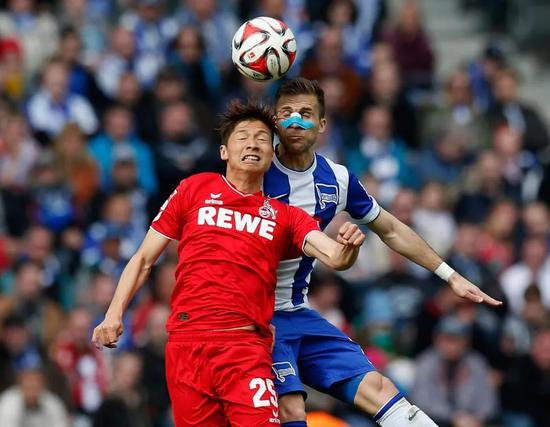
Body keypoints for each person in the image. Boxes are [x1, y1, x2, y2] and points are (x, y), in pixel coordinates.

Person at [92, 100, 367, 426]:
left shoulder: (286, 216)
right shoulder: (193, 189)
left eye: (262, 138)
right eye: (243, 137)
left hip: (245, 350)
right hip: (187, 346)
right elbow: (143, 258)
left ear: (271, 155)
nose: (253, 144)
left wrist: (348, 247)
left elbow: (334, 256)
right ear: (224, 151)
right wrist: (114, 313)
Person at [263, 77, 502, 427]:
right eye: (286, 113)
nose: (295, 121)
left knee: (380, 388)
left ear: (323, 124)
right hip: (254, 318)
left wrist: (450, 275)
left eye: (305, 114)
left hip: (298, 312)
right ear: (274, 120)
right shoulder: (255, 172)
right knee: (291, 410)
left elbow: (390, 228)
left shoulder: (337, 179)